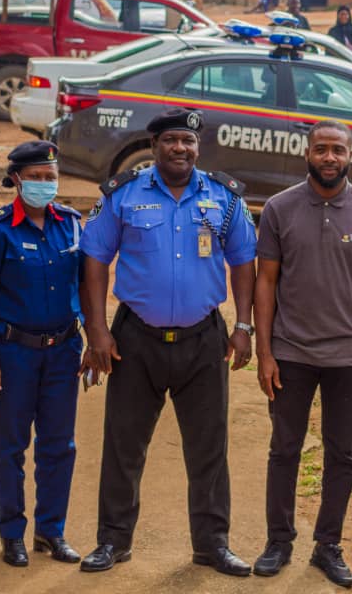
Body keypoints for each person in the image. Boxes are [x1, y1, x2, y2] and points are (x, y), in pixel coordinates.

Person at [78, 109, 257, 577]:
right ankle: (113, 541)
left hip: (204, 338)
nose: (181, 149)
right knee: (124, 445)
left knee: (209, 448)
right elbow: (95, 260)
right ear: (154, 145)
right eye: (171, 140)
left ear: (198, 148)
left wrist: (244, 325)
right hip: (135, 338)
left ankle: (212, 545)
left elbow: (243, 263)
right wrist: (96, 329)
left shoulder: (224, 197)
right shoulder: (124, 195)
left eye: (189, 141)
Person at [252, 119, 352, 587]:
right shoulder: (278, 208)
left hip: (349, 356)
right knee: (284, 449)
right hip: (290, 352)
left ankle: (328, 545)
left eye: (338, 150)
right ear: (307, 152)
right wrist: (265, 351)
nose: (329, 157)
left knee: (342, 453)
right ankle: (279, 540)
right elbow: (265, 281)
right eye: (321, 149)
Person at [0, 141, 84, 568]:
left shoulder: (72, 223)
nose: (45, 185)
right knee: (11, 447)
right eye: (36, 178)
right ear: (16, 180)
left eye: (50, 177)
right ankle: (12, 533)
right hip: (14, 353)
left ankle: (51, 531)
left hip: (63, 351)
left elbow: (85, 284)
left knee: (59, 445)